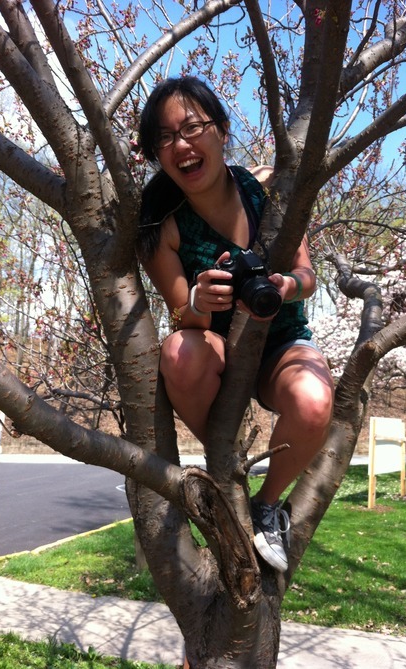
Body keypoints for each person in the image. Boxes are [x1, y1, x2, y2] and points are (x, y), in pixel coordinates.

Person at [137, 76, 334, 572]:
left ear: (222, 130)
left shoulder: (266, 190)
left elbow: (309, 275)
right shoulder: (163, 227)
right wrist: (202, 300)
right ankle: (227, 467)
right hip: (216, 350)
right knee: (179, 351)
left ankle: (267, 506)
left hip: (281, 340)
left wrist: (287, 285)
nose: (180, 145)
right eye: (163, 137)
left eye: (192, 127)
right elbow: (182, 316)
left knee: (314, 401)